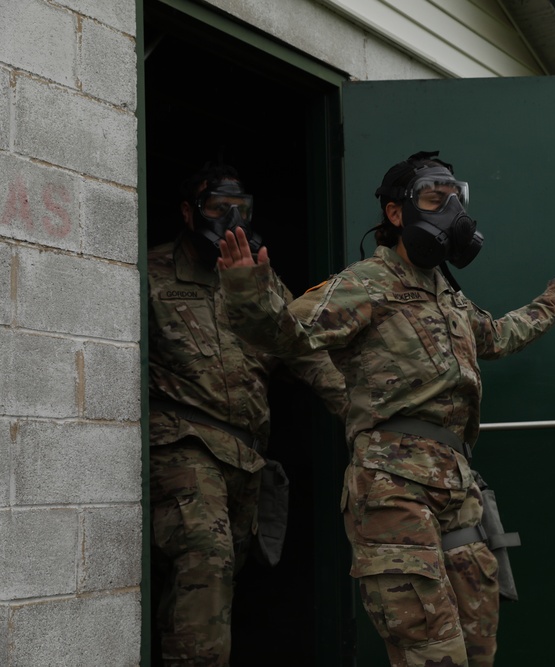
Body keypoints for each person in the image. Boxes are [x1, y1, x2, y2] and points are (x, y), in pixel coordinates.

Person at [216, 151, 555, 667]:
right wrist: (245, 291)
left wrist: (553, 300)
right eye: (436, 198)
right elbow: (286, 336)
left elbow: (496, 336)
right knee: (433, 652)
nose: (451, 209)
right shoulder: (366, 282)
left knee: (479, 645)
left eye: (455, 197)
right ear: (396, 213)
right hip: (394, 484)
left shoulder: (447, 294)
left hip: (457, 482)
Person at [147, 162, 346, 666]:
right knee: (206, 563)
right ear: (190, 213)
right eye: (218, 208)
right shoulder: (149, 273)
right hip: (183, 444)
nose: (232, 218)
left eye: (243, 209)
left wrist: (361, 412)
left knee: (218, 584)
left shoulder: (262, 282)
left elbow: (302, 352)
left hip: (246, 457)